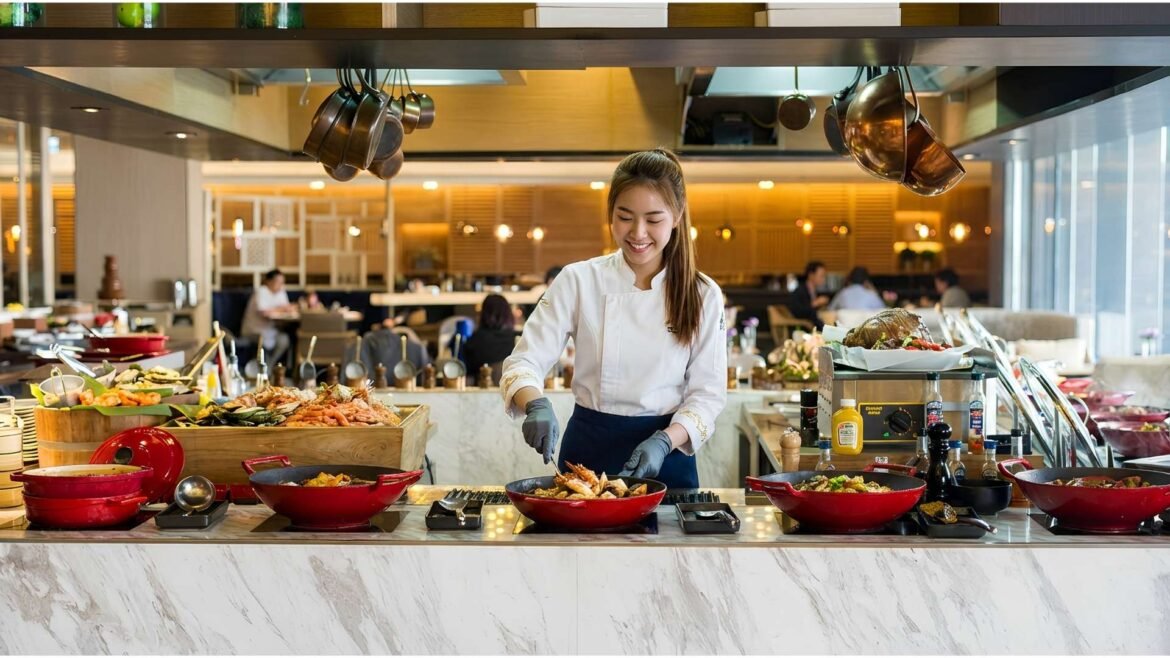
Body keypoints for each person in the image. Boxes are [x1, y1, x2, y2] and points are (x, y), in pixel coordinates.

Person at [501, 148, 727, 488]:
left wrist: (666, 440)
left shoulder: (702, 294)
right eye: (625, 217)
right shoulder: (578, 280)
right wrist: (535, 404)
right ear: (610, 214)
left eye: (653, 219)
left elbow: (707, 395)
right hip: (588, 452)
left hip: (666, 457)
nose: (638, 233)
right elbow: (523, 362)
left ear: (677, 216)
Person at [240, 269, 297, 365]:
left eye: (282, 282)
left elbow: (287, 310)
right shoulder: (261, 291)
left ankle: (269, 366)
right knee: (263, 340)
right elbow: (264, 313)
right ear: (268, 281)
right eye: (278, 282)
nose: (280, 285)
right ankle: (262, 368)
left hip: (272, 330)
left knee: (284, 340)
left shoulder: (281, 293)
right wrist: (283, 309)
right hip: (254, 330)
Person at [464, 294, 519, 383]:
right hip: (512, 392)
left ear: (483, 314)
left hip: (480, 393)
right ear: (508, 314)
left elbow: (467, 374)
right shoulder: (518, 340)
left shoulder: (474, 341)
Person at [789, 261, 830, 330]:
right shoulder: (799, 291)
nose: (823, 279)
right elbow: (798, 311)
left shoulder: (813, 291)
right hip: (802, 327)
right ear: (811, 275)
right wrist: (816, 303)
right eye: (821, 276)